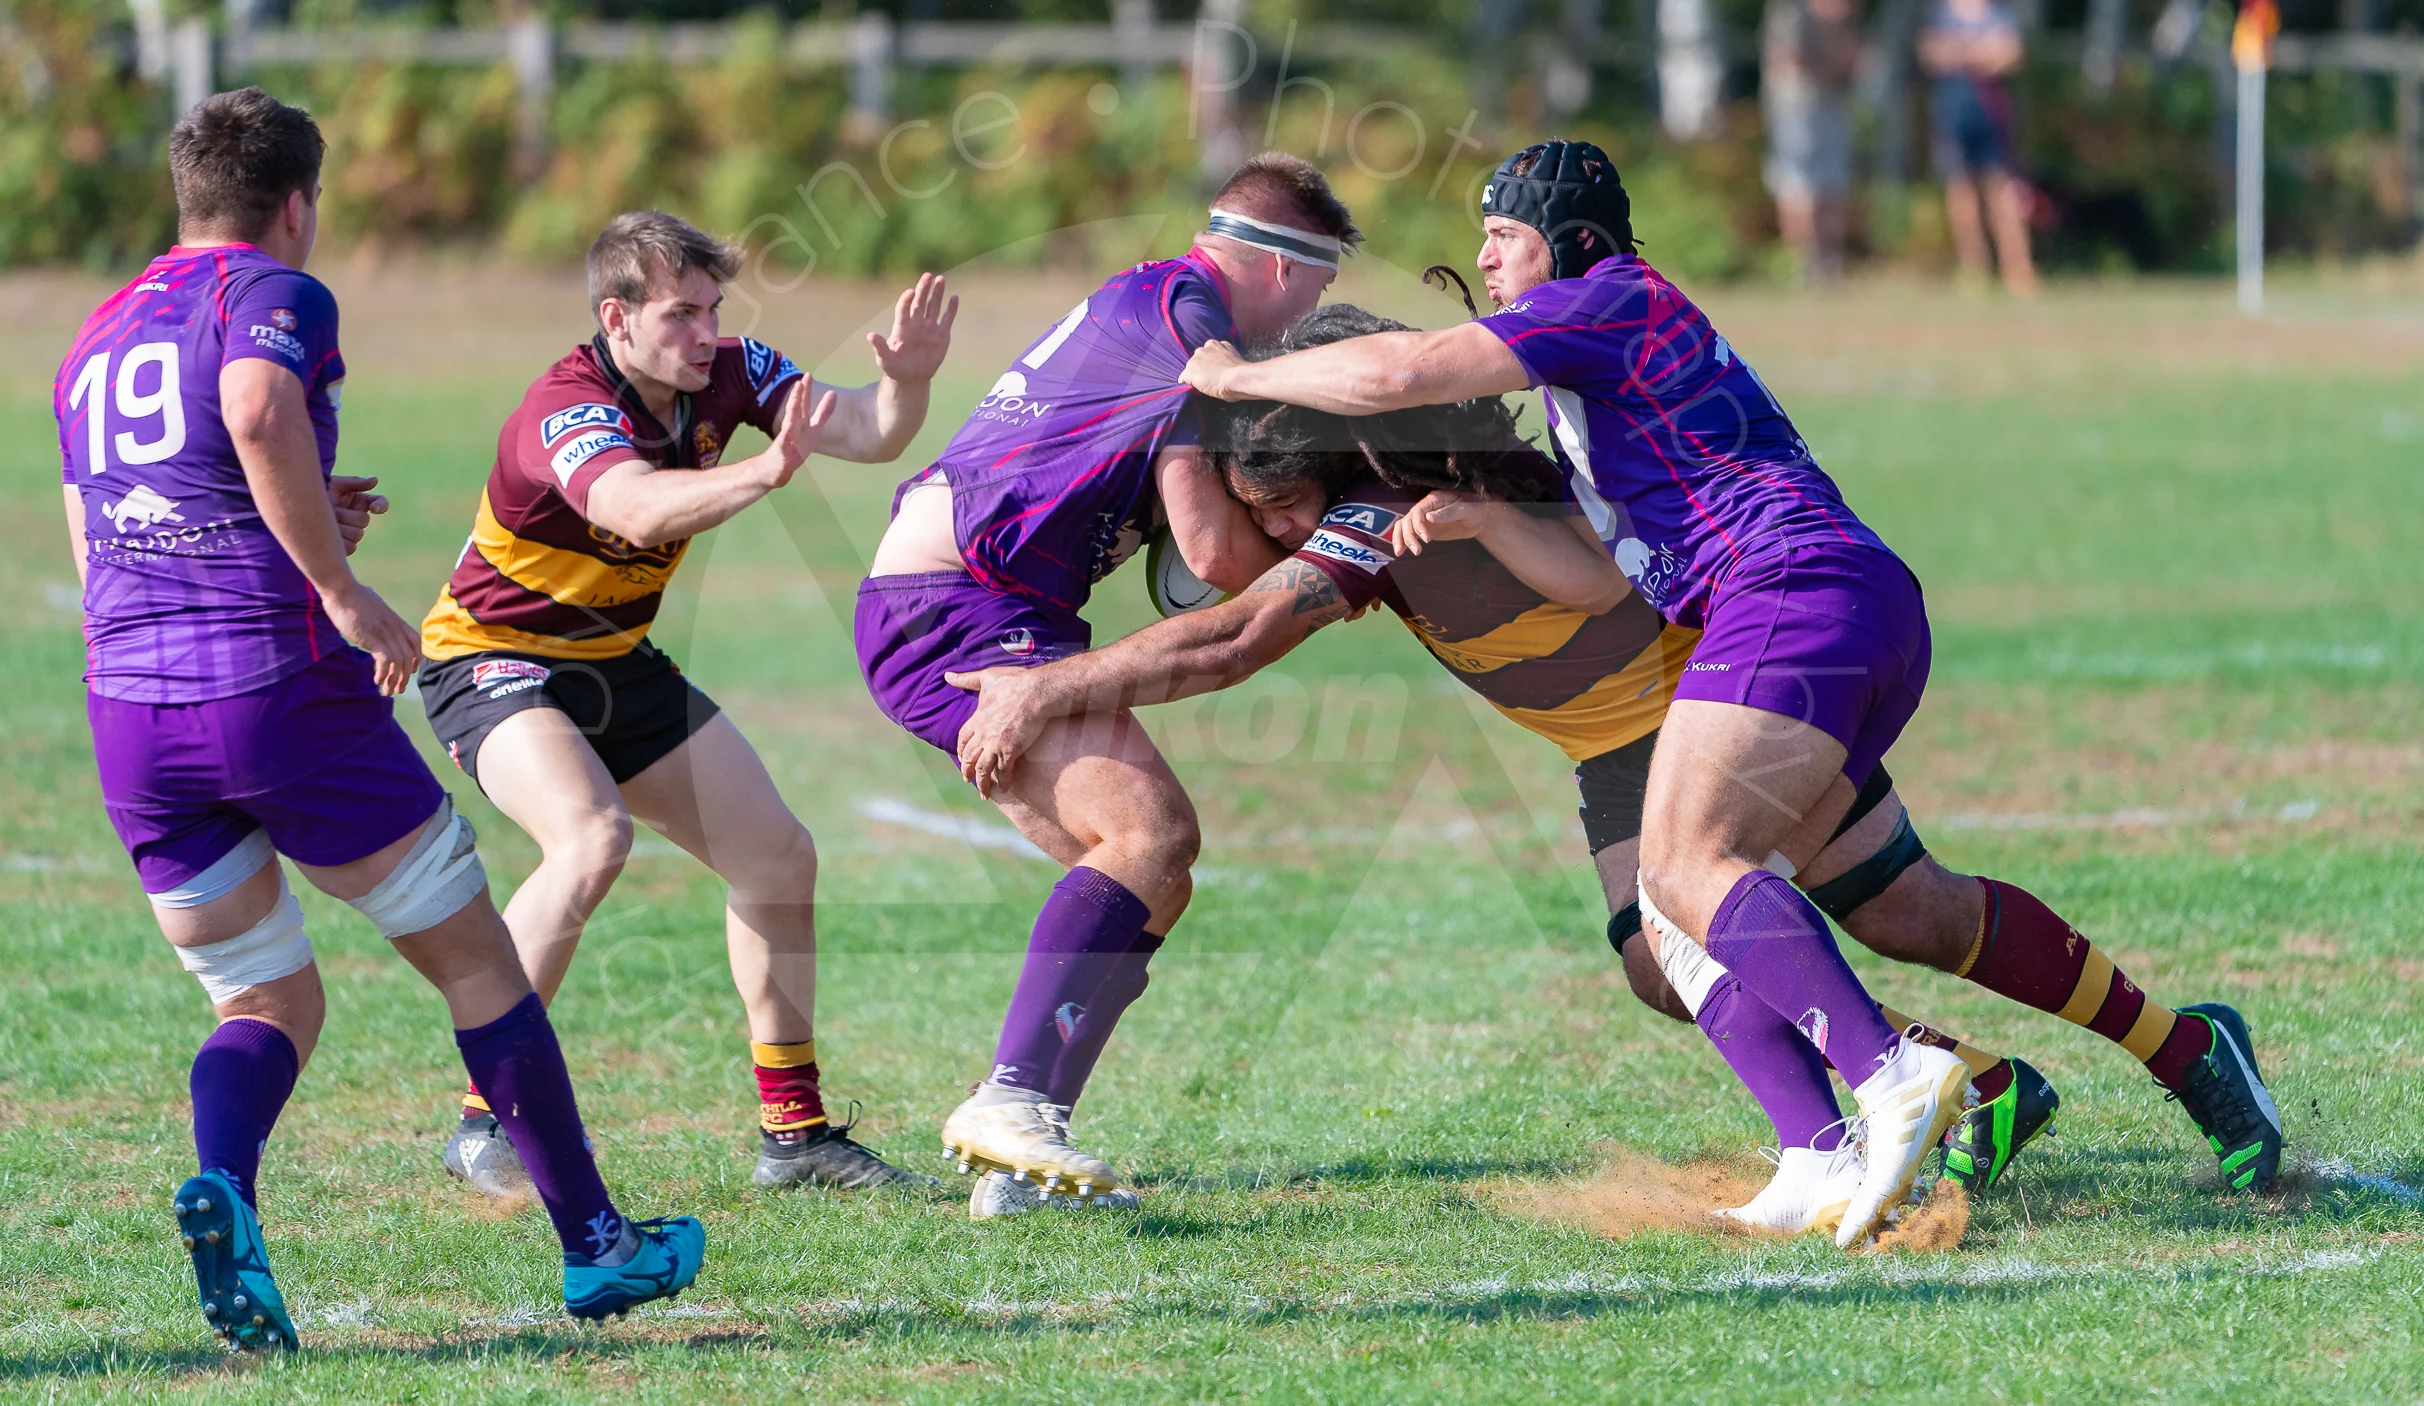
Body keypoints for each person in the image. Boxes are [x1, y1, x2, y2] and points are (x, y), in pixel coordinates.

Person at [1175, 141, 2284, 1244]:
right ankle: (2180, 1052)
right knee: (1903, 907)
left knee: (1683, 868)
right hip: (1832, 600)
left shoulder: (1600, 302)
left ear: (1572, 243)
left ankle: (1894, 1078)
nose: (1484, 256)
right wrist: (1490, 520)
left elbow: (1401, 374)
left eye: (1504, 235)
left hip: (1789, 592)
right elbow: (1604, 570)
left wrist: (1232, 377)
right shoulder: (1587, 378)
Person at [948, 302, 2062, 1235]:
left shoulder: (1400, 509)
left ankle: (1973, 1080)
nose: (1279, 536)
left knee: (1891, 912)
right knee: (1661, 959)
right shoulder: (1399, 508)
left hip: (1712, 711)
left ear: (1340, 469)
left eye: (1280, 507)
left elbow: (1234, 640)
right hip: (1614, 743)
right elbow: (1226, 588)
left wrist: (1051, 684)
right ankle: (1847, 1133)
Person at [54, 89, 699, 1349]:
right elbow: (250, 408)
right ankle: (596, 1244)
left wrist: (273, 525)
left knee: (266, 1004)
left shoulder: (98, 326)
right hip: (276, 693)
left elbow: (108, 524)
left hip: (131, 708)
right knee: (476, 964)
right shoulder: (276, 293)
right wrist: (342, 591)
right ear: (296, 203)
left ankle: (225, 1186)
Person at [853, 151, 1351, 1218]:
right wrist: (1346, 555)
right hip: (953, 602)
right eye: (1313, 293)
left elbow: (1191, 532)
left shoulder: (1157, 322)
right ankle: (1012, 1099)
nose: (1308, 322)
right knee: (1149, 833)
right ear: (1271, 264)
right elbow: (1213, 558)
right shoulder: (1186, 314)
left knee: (1151, 871)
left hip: (972, 601)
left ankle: (1023, 1159)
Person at [417, 211, 954, 1193]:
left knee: (777, 854)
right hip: (490, 658)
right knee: (588, 837)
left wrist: (905, 380)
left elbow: (870, 432)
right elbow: (630, 505)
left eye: (712, 309)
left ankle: (795, 1137)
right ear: (616, 318)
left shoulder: (734, 369)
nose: (704, 332)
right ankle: (482, 1120)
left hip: (614, 656)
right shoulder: (565, 407)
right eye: (680, 314)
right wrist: (766, 468)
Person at [1920, 0, 2039, 297]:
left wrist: (1961, 51)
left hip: (1993, 117)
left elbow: (2012, 55)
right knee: (1961, 194)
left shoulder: (2000, 12)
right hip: (1953, 116)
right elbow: (1932, 54)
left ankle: (2018, 268)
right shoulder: (1940, 13)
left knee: (2004, 192)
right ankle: (1975, 269)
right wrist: (1981, 51)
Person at [1762, 0, 1862, 285]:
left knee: (1833, 186)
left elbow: (1857, 60)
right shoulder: (1792, 15)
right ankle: (1801, 265)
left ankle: (1830, 265)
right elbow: (1793, 58)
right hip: (1796, 109)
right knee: (1797, 187)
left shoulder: (1840, 22)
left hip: (1831, 106)